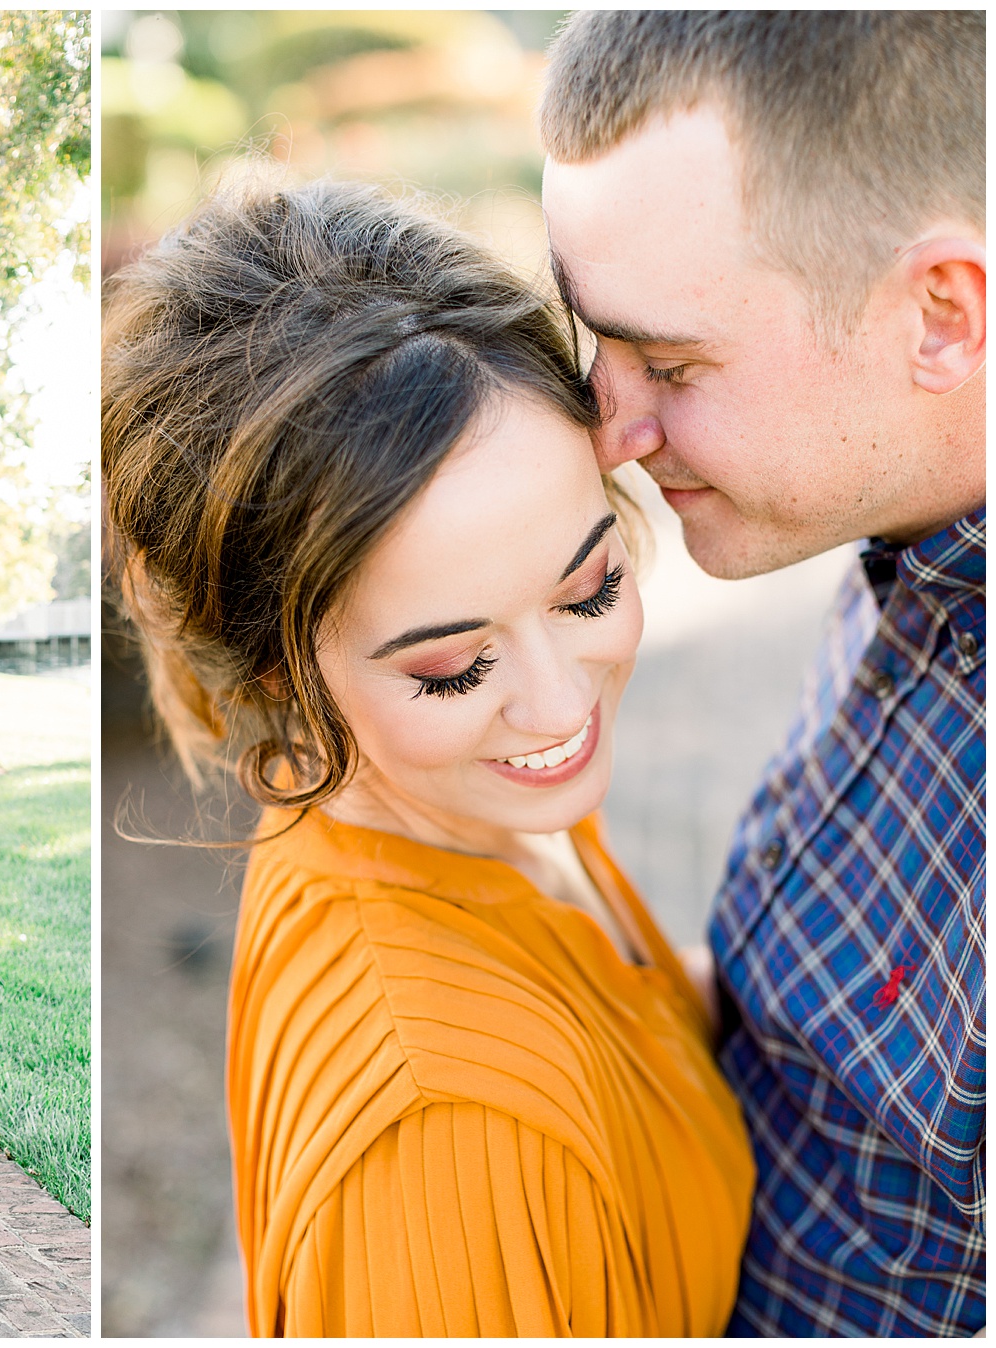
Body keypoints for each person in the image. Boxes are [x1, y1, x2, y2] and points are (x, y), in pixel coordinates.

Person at [104, 172, 753, 1336]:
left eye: (591, 588)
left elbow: (616, 1016)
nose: (558, 704)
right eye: (452, 667)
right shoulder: (449, 1137)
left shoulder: (463, 794)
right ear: (280, 673)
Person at [538, 13, 984, 1336]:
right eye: (594, 342)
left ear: (941, 317)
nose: (611, 430)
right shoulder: (905, 555)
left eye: (671, 363)